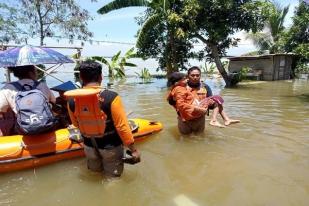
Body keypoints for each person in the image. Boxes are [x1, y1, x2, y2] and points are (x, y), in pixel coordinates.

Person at [66, 60, 141, 178]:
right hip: (110, 147)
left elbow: (76, 124)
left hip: (89, 146)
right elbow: (122, 127)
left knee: (94, 176)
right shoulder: (112, 97)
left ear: (80, 77)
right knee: (113, 180)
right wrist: (133, 150)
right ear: (101, 76)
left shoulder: (71, 100)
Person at [0, 65, 56, 136]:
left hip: (23, 129)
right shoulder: (42, 85)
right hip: (46, 125)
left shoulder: (7, 88)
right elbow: (53, 102)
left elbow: (1, 110)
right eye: (35, 70)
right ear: (31, 73)